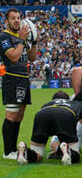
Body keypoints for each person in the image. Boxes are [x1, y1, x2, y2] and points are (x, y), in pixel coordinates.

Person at [16, 88, 82, 166]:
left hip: (41, 114)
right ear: (69, 99)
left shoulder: (46, 105)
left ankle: (26, 152)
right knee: (75, 156)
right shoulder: (76, 104)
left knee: (38, 155)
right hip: (66, 115)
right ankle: (68, 150)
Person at [0, 8, 37, 160]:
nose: (16, 20)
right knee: (11, 115)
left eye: (18, 18)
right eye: (13, 18)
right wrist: (22, 40)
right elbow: (14, 57)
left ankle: (13, 149)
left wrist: (33, 41)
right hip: (12, 79)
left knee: (19, 116)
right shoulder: (4, 36)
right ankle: (8, 151)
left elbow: (32, 58)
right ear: (6, 21)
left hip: (23, 79)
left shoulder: (20, 37)